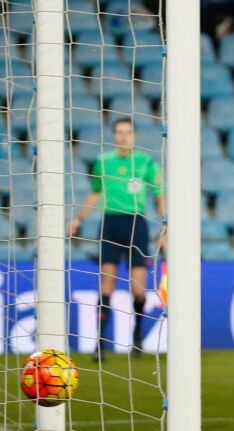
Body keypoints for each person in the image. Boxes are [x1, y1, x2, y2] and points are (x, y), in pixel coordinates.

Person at [69, 118, 165, 362]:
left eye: (128, 132)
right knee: (107, 285)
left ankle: (138, 335)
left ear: (134, 136)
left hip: (136, 225)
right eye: (120, 133)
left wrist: (165, 227)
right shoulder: (103, 162)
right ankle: (100, 343)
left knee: (138, 289)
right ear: (114, 136)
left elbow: (158, 195)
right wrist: (78, 218)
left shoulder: (146, 162)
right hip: (110, 224)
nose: (124, 137)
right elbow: (95, 192)